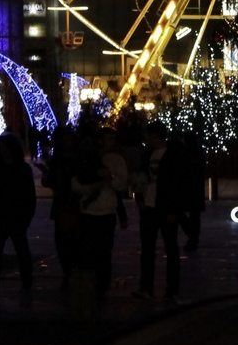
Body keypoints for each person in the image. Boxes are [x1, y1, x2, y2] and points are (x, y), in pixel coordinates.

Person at [75, 128, 127, 300]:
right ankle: (89, 284)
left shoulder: (117, 160)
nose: (109, 142)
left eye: (112, 139)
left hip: (107, 211)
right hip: (89, 211)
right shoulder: (88, 158)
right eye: (107, 139)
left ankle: (102, 285)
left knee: (104, 250)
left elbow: (121, 185)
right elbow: (77, 180)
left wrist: (109, 177)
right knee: (88, 250)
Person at [133, 120, 181, 300]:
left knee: (171, 248)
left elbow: (178, 184)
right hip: (148, 206)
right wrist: (139, 198)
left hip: (165, 207)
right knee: (147, 248)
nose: (147, 139)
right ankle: (146, 287)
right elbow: (140, 176)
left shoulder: (173, 155)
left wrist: (174, 210)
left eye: (149, 135)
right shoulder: (147, 154)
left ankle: (172, 289)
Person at [0, 133, 36, 292]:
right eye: (1, 149)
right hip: (0, 217)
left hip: (17, 216)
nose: (4, 152)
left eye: (6, 149)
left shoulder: (22, 169)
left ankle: (27, 280)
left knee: (21, 249)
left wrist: (27, 217)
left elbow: (29, 195)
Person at [39, 126, 80, 285]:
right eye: (64, 141)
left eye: (70, 141)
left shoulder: (80, 159)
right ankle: (67, 271)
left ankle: (74, 270)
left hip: (77, 202)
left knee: (74, 238)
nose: (67, 144)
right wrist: (45, 173)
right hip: (62, 203)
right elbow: (51, 182)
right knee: (61, 240)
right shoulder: (57, 160)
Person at [179, 130, 206, 252]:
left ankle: (193, 237)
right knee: (195, 216)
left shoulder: (184, 153)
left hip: (187, 188)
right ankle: (193, 238)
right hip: (196, 189)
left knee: (182, 214)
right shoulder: (199, 153)